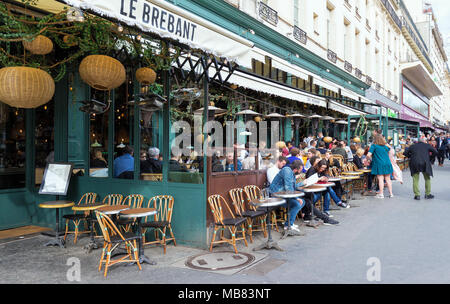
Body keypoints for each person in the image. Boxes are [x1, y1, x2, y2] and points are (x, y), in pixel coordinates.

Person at [269, 160, 306, 232]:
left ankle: (289, 222)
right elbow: (288, 188)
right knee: (297, 204)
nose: (301, 171)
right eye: (300, 169)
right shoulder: (287, 171)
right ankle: (288, 225)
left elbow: (293, 186)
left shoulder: (291, 173)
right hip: (276, 196)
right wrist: (296, 198)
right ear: (296, 169)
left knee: (302, 202)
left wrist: (302, 183)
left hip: (283, 195)